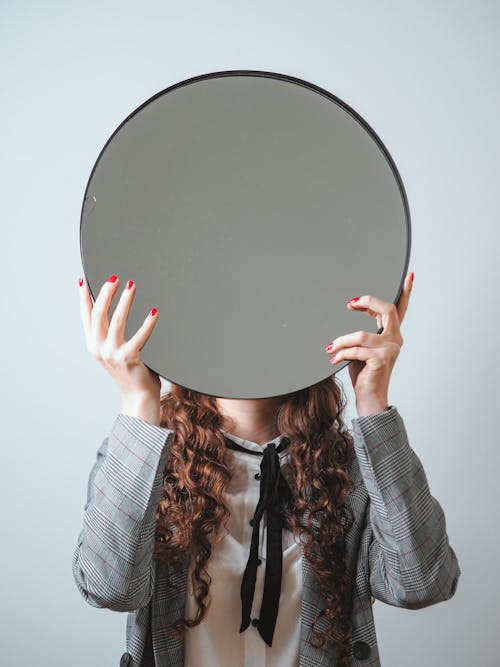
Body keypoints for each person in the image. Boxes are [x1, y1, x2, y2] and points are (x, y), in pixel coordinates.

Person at [72, 270, 461, 667]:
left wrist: (373, 403)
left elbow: (422, 583)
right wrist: (139, 403)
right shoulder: (144, 457)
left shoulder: (352, 470)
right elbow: (109, 588)